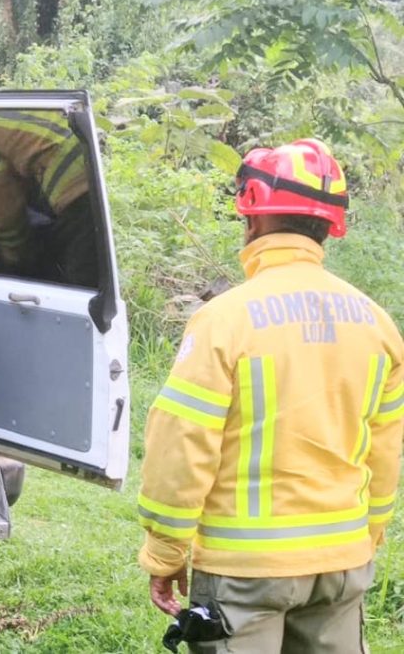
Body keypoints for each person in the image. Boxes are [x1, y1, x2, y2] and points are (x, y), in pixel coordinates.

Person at [137, 139, 404, 652]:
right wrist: (366, 538)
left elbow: (181, 444)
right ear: (330, 226)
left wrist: (166, 552)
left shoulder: (224, 320)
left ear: (253, 219)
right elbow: (385, 454)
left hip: (245, 571)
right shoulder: (378, 323)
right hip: (342, 564)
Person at [0, 109, 97, 287]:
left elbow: (2, 204)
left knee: (83, 286)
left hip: (76, 185)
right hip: (93, 165)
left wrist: (14, 257)